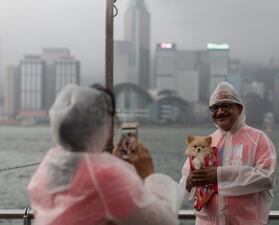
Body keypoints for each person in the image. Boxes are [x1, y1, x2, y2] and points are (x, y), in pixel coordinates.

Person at [27, 84, 185, 225]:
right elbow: (164, 221)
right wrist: (148, 174)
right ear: (102, 124)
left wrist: (119, 167)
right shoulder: (105, 175)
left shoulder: (48, 167)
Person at [180, 82, 277, 225]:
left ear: (239, 108)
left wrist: (219, 175)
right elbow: (184, 185)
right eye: (214, 108)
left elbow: (266, 177)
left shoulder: (258, 139)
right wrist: (189, 182)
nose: (219, 112)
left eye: (225, 105)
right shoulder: (205, 142)